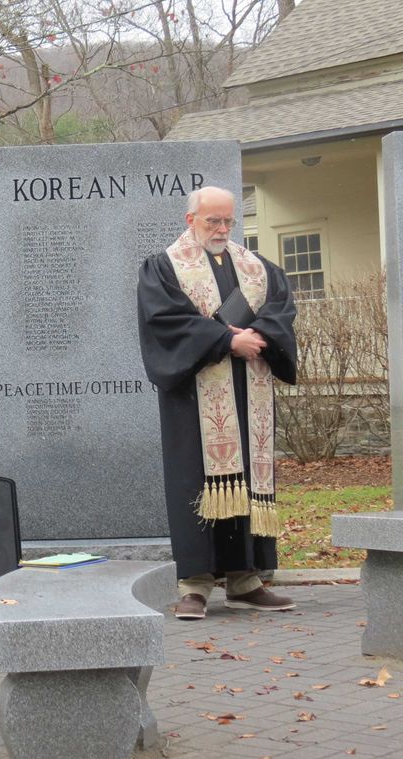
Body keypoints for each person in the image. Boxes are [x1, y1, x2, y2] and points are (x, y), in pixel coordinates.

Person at [137, 186, 298, 621]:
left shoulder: (257, 267)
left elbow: (281, 307)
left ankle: (245, 579)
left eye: (228, 220)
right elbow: (166, 321)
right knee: (196, 483)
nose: (223, 229)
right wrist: (228, 339)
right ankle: (195, 584)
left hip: (249, 390)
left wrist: (257, 336)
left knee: (247, 476)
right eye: (213, 221)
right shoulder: (164, 267)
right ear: (191, 220)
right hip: (195, 398)